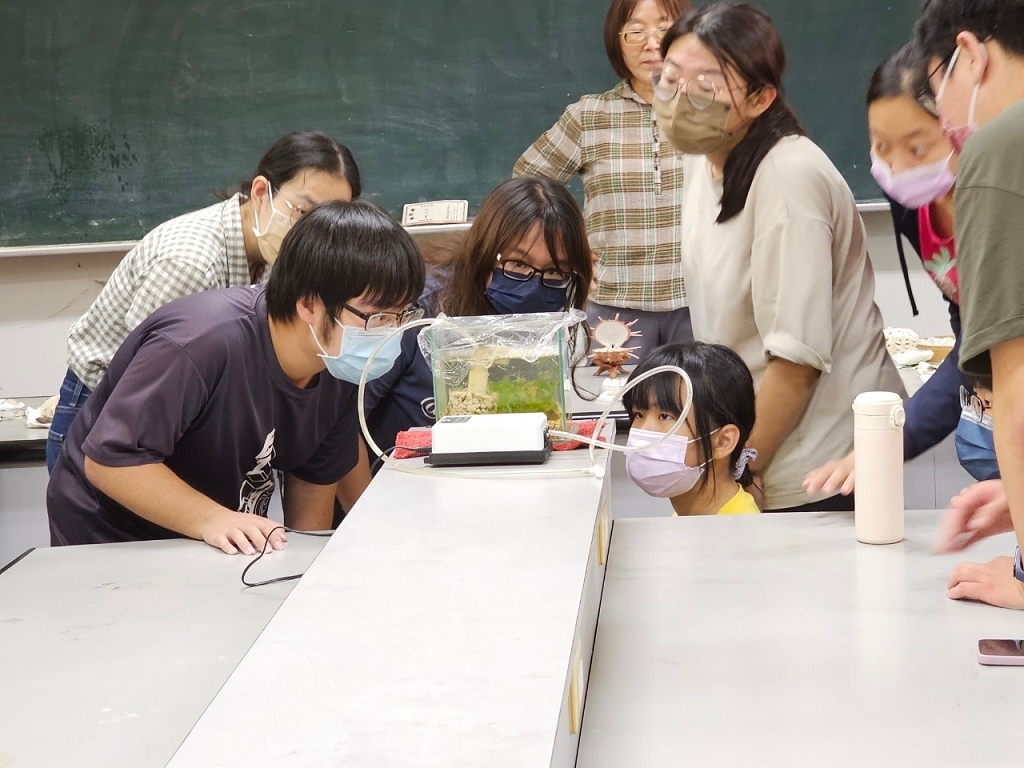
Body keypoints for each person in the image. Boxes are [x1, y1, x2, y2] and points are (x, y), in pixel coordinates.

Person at [46, 201, 425, 555]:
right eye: (378, 317)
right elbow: (110, 459)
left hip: (204, 535)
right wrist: (210, 518)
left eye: (402, 315)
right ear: (309, 303)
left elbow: (313, 497)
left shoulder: (336, 364)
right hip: (113, 537)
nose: (390, 332)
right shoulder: (202, 343)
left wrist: (304, 570)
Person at [654, 2, 904, 512]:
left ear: (760, 97)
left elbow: (796, 365)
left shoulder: (789, 179)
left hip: (819, 467)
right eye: (671, 77)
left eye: (707, 83)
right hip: (756, 445)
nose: (681, 98)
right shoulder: (706, 159)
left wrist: (741, 467)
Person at [46, 131, 360, 472]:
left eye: (329, 222)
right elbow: (148, 378)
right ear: (260, 192)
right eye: (305, 212)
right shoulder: (190, 262)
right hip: (106, 409)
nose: (315, 234)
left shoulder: (279, 252)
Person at [334, 176, 593, 508]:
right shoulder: (416, 314)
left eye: (555, 272)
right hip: (401, 503)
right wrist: (366, 515)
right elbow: (342, 422)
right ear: (486, 253)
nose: (533, 285)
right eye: (517, 264)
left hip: (491, 498)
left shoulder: (545, 326)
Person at [804, 43, 972, 497]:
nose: (898, 166)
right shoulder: (910, 204)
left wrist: (898, 436)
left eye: (917, 147)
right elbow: (972, 336)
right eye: (881, 146)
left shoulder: (1000, 198)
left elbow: (990, 346)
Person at [914, 0, 1024, 608]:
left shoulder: (1004, 147)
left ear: (970, 55)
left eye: (937, 92)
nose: (944, 124)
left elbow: (1019, 401)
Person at [513, 0, 692, 361]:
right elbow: (526, 185)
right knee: (612, 412)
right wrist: (571, 247)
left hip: (700, 303)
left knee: (698, 411)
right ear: (617, 41)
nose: (650, 42)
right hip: (614, 304)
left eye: (663, 27)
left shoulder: (713, 113)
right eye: (635, 31)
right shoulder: (590, 115)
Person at [623, 342, 760, 516]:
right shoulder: (693, 518)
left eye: (665, 416)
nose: (644, 432)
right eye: (639, 414)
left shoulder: (736, 534)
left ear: (723, 441)